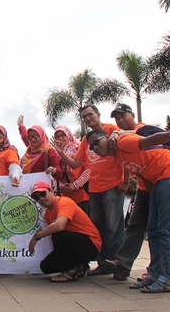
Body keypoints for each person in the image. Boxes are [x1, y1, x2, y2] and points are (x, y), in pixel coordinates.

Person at [86, 125, 170, 293]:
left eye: (97, 142)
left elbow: (149, 140)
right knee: (153, 230)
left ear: (107, 137)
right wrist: (152, 198)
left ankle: (169, 279)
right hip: (158, 183)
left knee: (166, 230)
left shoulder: (122, 142)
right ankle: (154, 274)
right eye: (91, 147)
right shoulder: (118, 158)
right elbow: (143, 174)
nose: (95, 147)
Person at [53, 105, 128, 276]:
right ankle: (102, 263)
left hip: (112, 185)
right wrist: (61, 153)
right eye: (84, 117)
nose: (87, 119)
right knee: (97, 227)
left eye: (90, 115)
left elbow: (124, 154)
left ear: (98, 114)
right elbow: (75, 164)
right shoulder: (86, 140)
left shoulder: (112, 129)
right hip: (95, 188)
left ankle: (118, 263)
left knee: (114, 226)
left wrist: (125, 181)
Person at [28, 181, 102, 283]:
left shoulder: (64, 202)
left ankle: (70, 271)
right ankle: (80, 266)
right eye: (37, 198)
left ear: (51, 191)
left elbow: (59, 226)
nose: (41, 199)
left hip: (91, 244)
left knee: (58, 235)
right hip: (76, 244)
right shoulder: (47, 215)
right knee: (45, 267)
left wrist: (36, 237)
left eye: (43, 194)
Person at [49, 125, 90, 215]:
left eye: (63, 135)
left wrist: (75, 185)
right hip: (65, 197)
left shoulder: (78, 148)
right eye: (57, 136)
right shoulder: (55, 153)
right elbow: (55, 176)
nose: (60, 138)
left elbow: (88, 170)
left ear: (68, 135)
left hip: (81, 194)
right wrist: (61, 186)